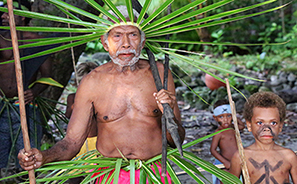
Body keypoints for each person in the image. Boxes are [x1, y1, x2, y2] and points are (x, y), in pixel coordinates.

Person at [18, 6, 185, 183]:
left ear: (142, 42)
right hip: (110, 175)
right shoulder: (92, 82)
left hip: (154, 173)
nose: (126, 43)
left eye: (133, 35)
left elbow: (177, 140)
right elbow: (71, 143)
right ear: (105, 43)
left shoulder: (159, 74)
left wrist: (169, 113)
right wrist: (44, 156)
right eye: (117, 35)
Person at [0, 0, 52, 171]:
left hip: (26, 107)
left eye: (8, 12)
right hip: (1, 105)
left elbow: (47, 77)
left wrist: (34, 91)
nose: (3, 16)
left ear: (23, 16)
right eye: (3, 12)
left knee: (28, 155)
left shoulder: (38, 43)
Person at [229, 91, 297, 183]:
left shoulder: (289, 156)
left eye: (273, 123)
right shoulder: (241, 156)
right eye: (260, 123)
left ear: (280, 126)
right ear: (249, 125)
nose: (266, 129)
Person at [210, 99, 245, 184]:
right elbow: (213, 150)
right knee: (226, 181)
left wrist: (234, 115)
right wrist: (225, 162)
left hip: (238, 162)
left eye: (228, 116)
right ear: (215, 118)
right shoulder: (218, 133)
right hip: (226, 163)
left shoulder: (233, 127)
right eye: (221, 117)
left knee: (244, 179)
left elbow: (242, 126)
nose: (225, 120)